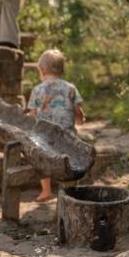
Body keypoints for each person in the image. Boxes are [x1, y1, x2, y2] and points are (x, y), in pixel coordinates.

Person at [27, 49, 85, 202]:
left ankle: (46, 191)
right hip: (68, 138)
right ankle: (69, 191)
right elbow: (78, 112)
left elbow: (32, 116)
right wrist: (80, 119)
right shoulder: (71, 88)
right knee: (71, 163)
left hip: (46, 140)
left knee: (40, 157)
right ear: (62, 70)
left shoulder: (37, 90)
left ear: (42, 70)